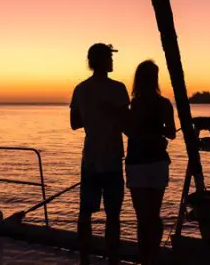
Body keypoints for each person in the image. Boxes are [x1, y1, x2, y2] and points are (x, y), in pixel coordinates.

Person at [70, 43, 130, 265]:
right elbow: (127, 123)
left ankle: (84, 259)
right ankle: (112, 260)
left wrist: (91, 116)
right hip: (113, 159)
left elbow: (74, 123)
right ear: (103, 61)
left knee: (85, 212)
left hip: (90, 160)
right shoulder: (118, 88)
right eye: (110, 58)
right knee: (113, 215)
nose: (113, 61)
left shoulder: (80, 89)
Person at [125, 60, 176, 264]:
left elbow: (129, 130)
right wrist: (157, 131)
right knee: (154, 214)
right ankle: (152, 254)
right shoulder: (163, 104)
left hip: (137, 161)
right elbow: (171, 133)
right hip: (156, 161)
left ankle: (144, 256)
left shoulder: (134, 104)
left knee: (142, 216)